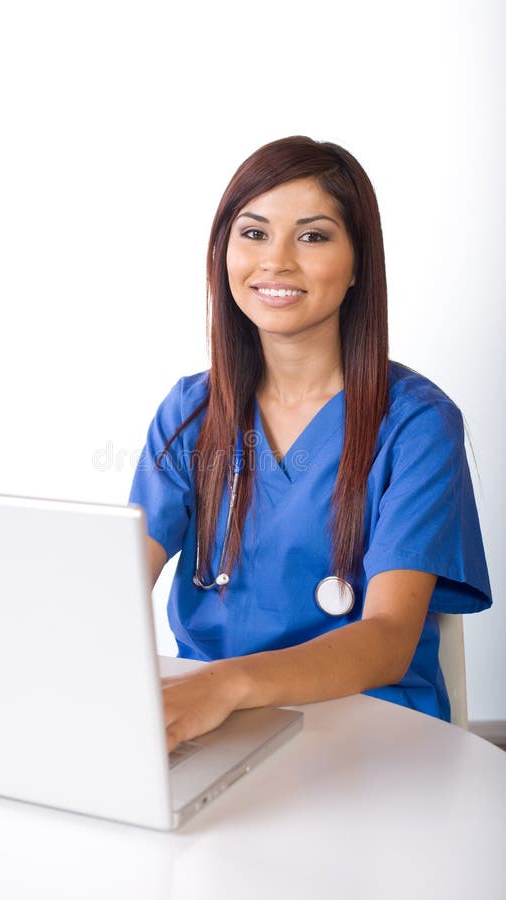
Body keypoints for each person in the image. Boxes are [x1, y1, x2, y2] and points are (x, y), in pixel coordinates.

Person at [129, 136, 492, 751]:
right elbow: (117, 580)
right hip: (219, 731)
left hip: (371, 734)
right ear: (223, 253)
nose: (276, 261)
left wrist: (227, 685)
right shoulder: (189, 412)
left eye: (313, 236)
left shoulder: (417, 424)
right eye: (254, 233)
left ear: (357, 266)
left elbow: (388, 637)